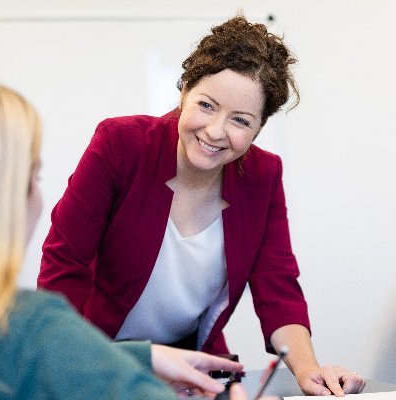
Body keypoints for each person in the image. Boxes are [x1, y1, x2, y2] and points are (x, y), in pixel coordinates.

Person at [37, 14, 366, 396]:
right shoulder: (120, 144)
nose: (214, 131)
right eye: (207, 105)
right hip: (99, 354)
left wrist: (308, 370)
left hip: (191, 367)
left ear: (259, 128)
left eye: (240, 121)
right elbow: (64, 264)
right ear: (184, 92)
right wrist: (71, 364)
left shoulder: (263, 175)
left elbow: (277, 285)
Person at [0, 82, 250, 400]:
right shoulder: (29, 324)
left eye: (240, 119)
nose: (215, 132)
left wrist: (143, 358)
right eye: (35, 174)